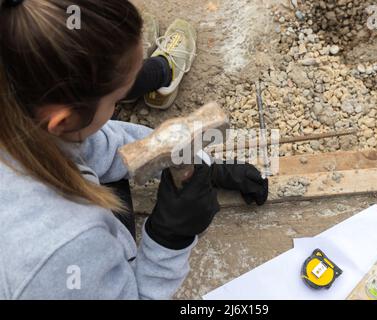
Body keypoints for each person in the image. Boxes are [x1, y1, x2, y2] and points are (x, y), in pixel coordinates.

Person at [0, 0, 268, 299]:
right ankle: (157, 73)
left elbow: (91, 144)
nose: (115, 111)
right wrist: (170, 238)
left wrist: (204, 163)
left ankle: (153, 73)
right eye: (117, 101)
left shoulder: (16, 100)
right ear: (62, 120)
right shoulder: (65, 250)